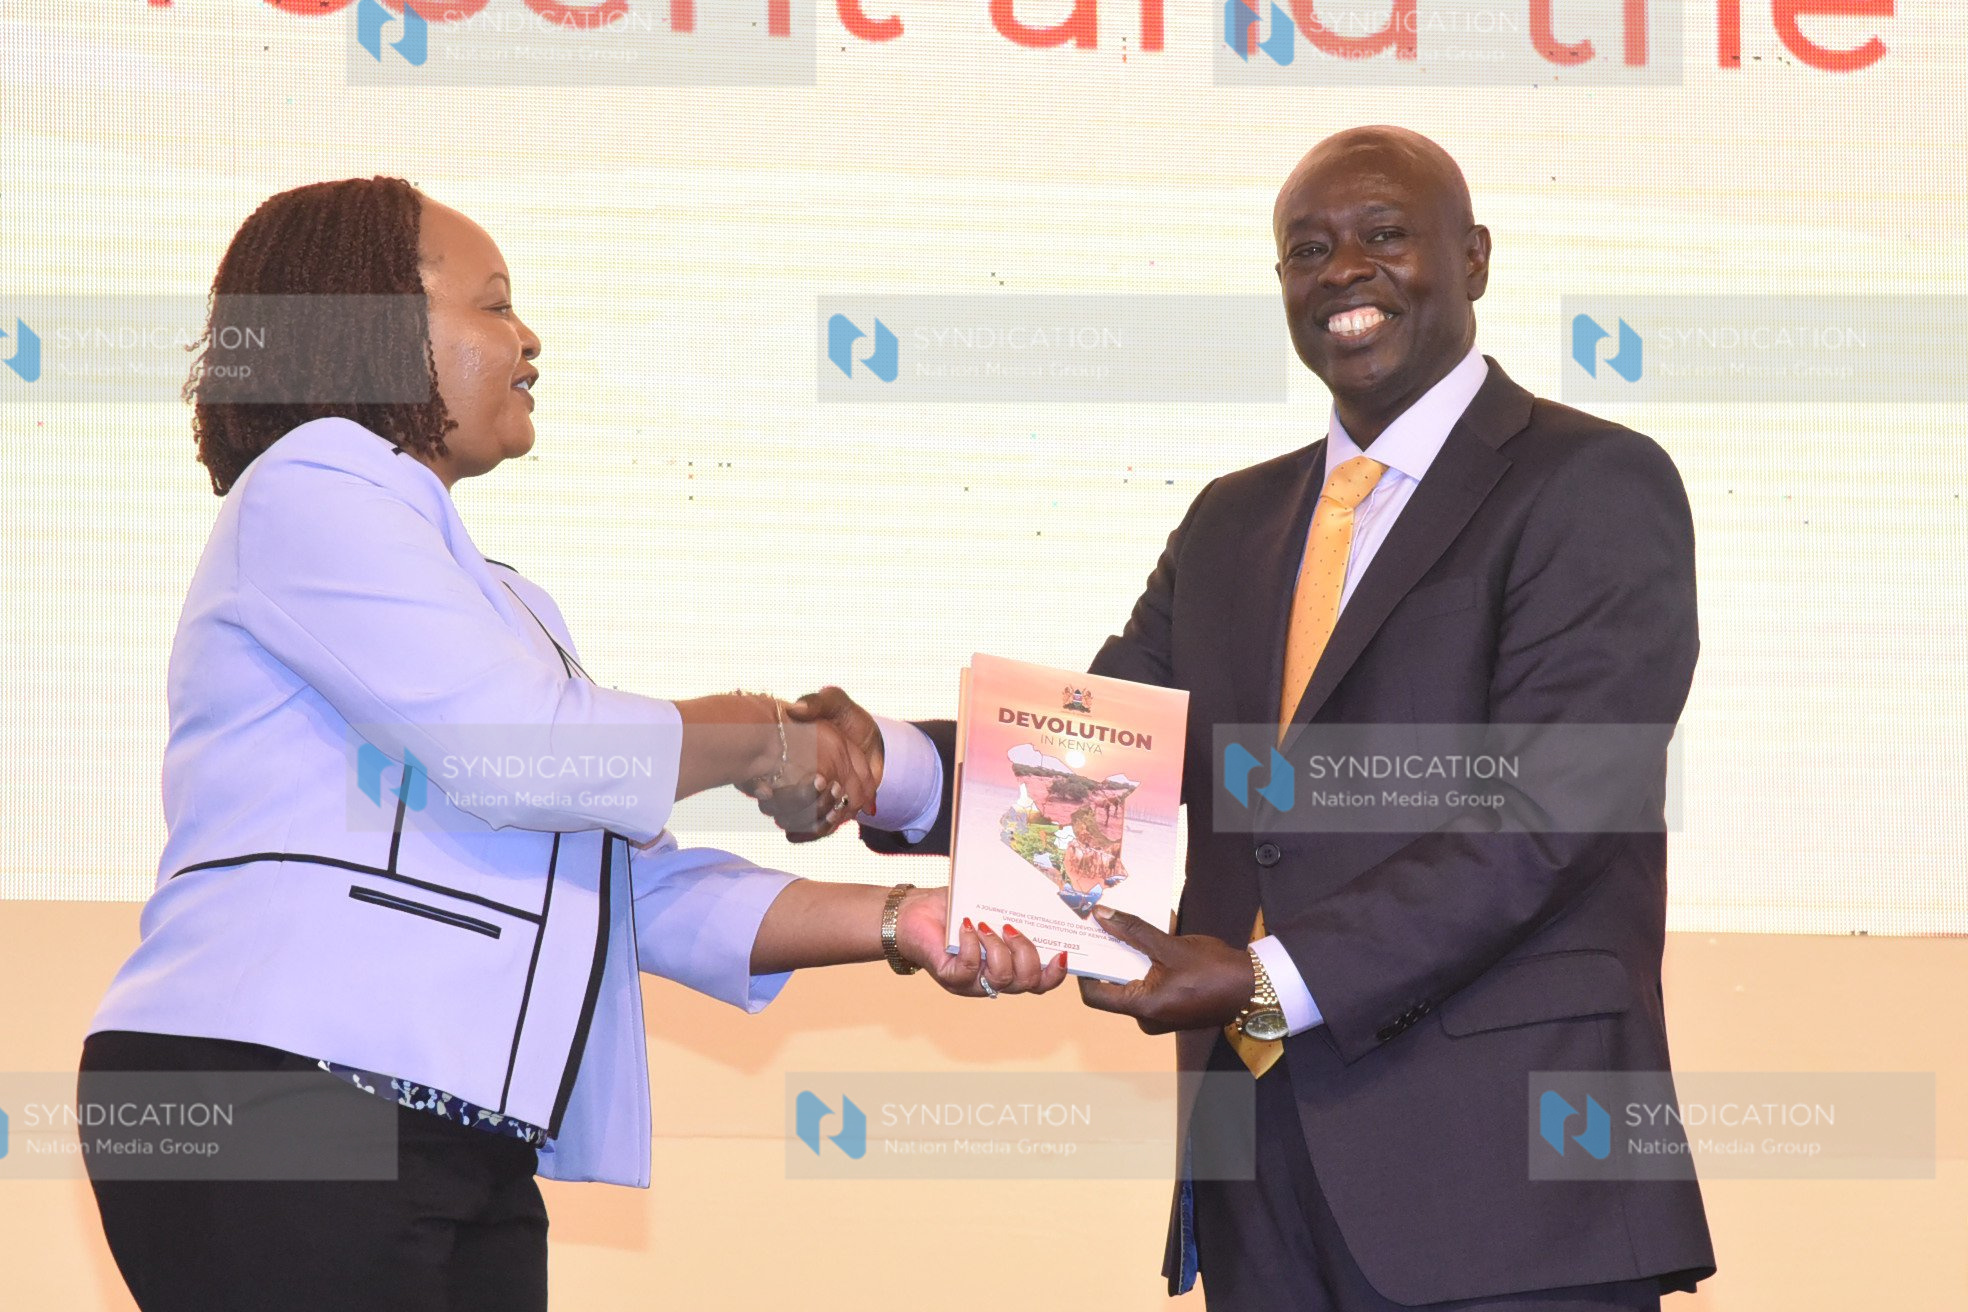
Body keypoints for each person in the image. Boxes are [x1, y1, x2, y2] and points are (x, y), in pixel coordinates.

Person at [760, 127, 1717, 1310]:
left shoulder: (1590, 482)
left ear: (1472, 258)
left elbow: (1551, 812)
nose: (1343, 272)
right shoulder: (1234, 521)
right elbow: (1103, 760)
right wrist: (889, 767)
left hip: (1508, 1186)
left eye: (1383, 237)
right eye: (1307, 250)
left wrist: (1264, 979)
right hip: (1257, 1176)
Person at [78, 176, 1067, 1312]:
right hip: (286, 1099)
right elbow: (530, 752)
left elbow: (617, 882)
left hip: (442, 1127)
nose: (526, 337)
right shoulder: (312, 482)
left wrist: (902, 920)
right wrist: (759, 736)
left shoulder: (499, 604)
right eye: (492, 305)